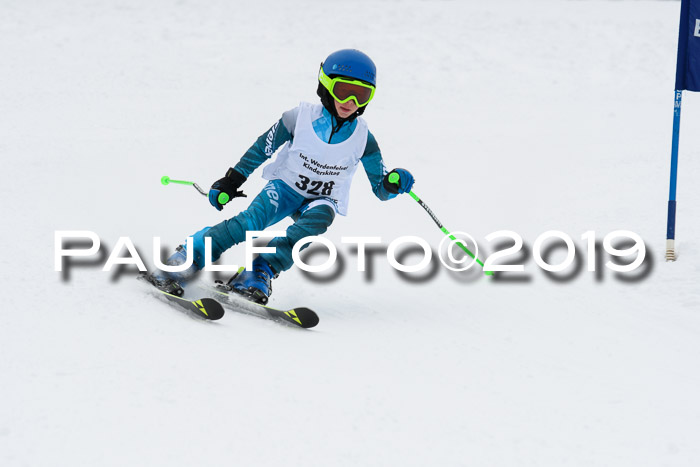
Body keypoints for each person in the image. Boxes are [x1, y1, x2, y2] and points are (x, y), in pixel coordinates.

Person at [147, 49, 415, 304]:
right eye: (343, 91)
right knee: (249, 223)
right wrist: (231, 181)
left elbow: (381, 188)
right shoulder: (299, 119)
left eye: (361, 95)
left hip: (322, 198)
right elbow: (262, 148)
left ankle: (260, 269)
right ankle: (188, 256)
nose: (350, 102)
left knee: (316, 222)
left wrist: (394, 182)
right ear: (325, 85)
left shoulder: (363, 139)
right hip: (285, 187)